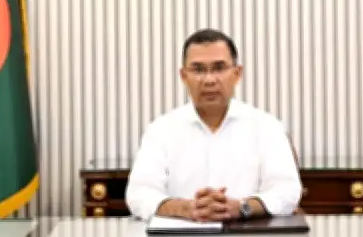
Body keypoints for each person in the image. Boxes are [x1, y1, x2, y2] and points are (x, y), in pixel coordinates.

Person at [125, 28, 303, 222]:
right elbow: (139, 194)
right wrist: (186, 208)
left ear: (237, 73)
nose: (209, 80)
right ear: (183, 76)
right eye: (198, 70)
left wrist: (241, 207)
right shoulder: (161, 130)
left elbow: (287, 191)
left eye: (219, 68)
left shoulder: (267, 127)